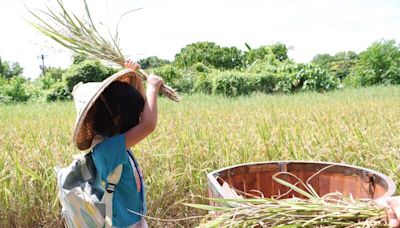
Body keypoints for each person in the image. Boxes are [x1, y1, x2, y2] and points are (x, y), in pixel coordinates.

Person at [72, 60, 163, 228]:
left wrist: (136, 79)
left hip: (131, 219)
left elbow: (143, 114)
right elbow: (147, 124)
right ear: (118, 119)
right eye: (134, 114)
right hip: (126, 224)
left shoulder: (110, 141)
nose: (138, 116)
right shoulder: (108, 149)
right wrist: (152, 88)